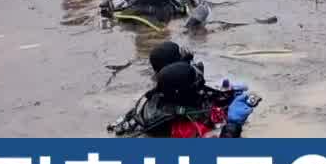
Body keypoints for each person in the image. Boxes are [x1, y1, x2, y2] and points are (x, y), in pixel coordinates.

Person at [106, 61, 260, 138]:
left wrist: (226, 96)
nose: (202, 86)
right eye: (197, 83)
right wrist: (233, 125)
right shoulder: (182, 129)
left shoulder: (158, 96)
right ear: (185, 92)